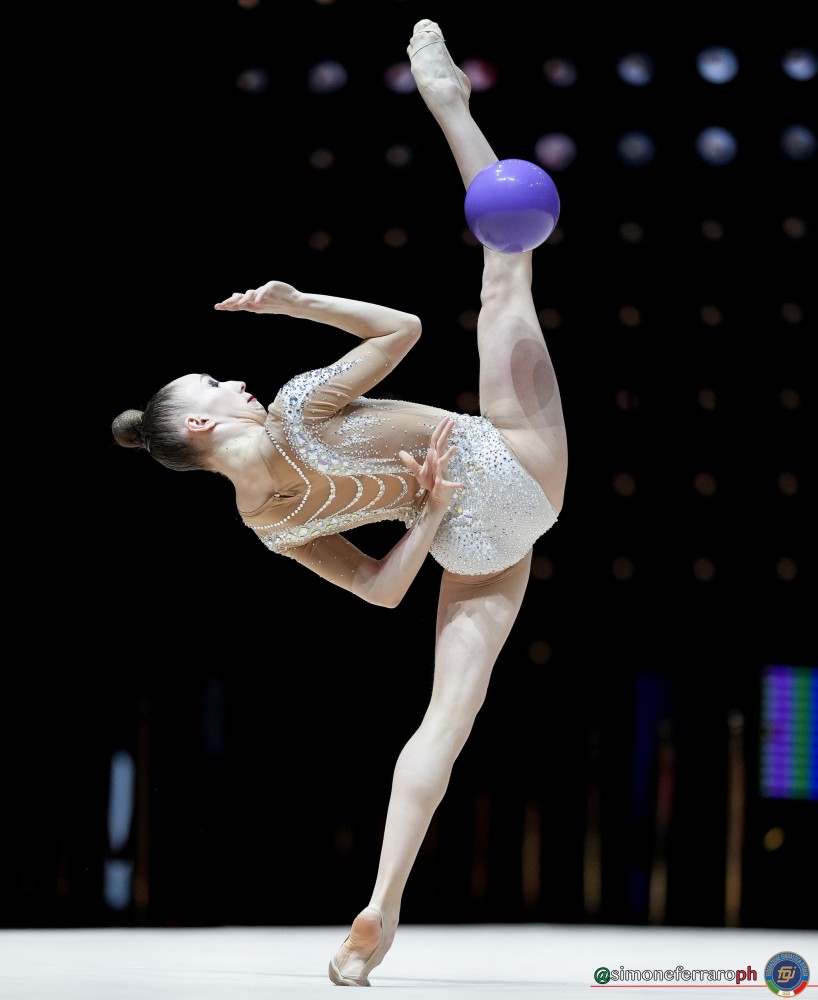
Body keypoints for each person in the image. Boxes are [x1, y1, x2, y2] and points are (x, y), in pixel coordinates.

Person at [112, 17, 568, 987]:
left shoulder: (262, 521)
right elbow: (404, 328)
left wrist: (432, 516)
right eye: (214, 384)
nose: (233, 380)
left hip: (465, 542)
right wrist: (297, 304)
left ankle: (382, 907)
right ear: (200, 424)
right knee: (504, 273)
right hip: (510, 465)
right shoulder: (292, 407)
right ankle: (449, 104)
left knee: (446, 720)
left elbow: (379, 591)